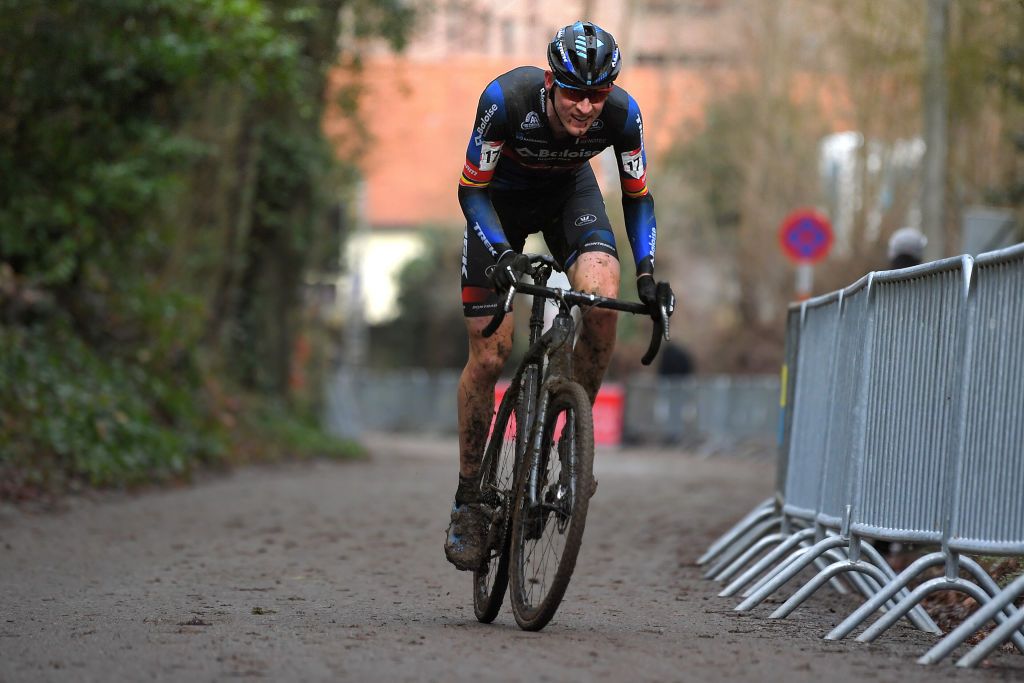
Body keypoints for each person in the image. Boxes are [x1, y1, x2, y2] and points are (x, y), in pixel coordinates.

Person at [445, 21, 671, 570]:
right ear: (550, 81)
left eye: (598, 94)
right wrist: (500, 253)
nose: (587, 107)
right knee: (491, 355)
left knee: (601, 300)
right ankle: (470, 499)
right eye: (574, 92)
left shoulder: (624, 114)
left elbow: (639, 197)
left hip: (571, 195)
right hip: (498, 208)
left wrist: (646, 271)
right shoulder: (506, 100)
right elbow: (470, 188)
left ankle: (570, 444)